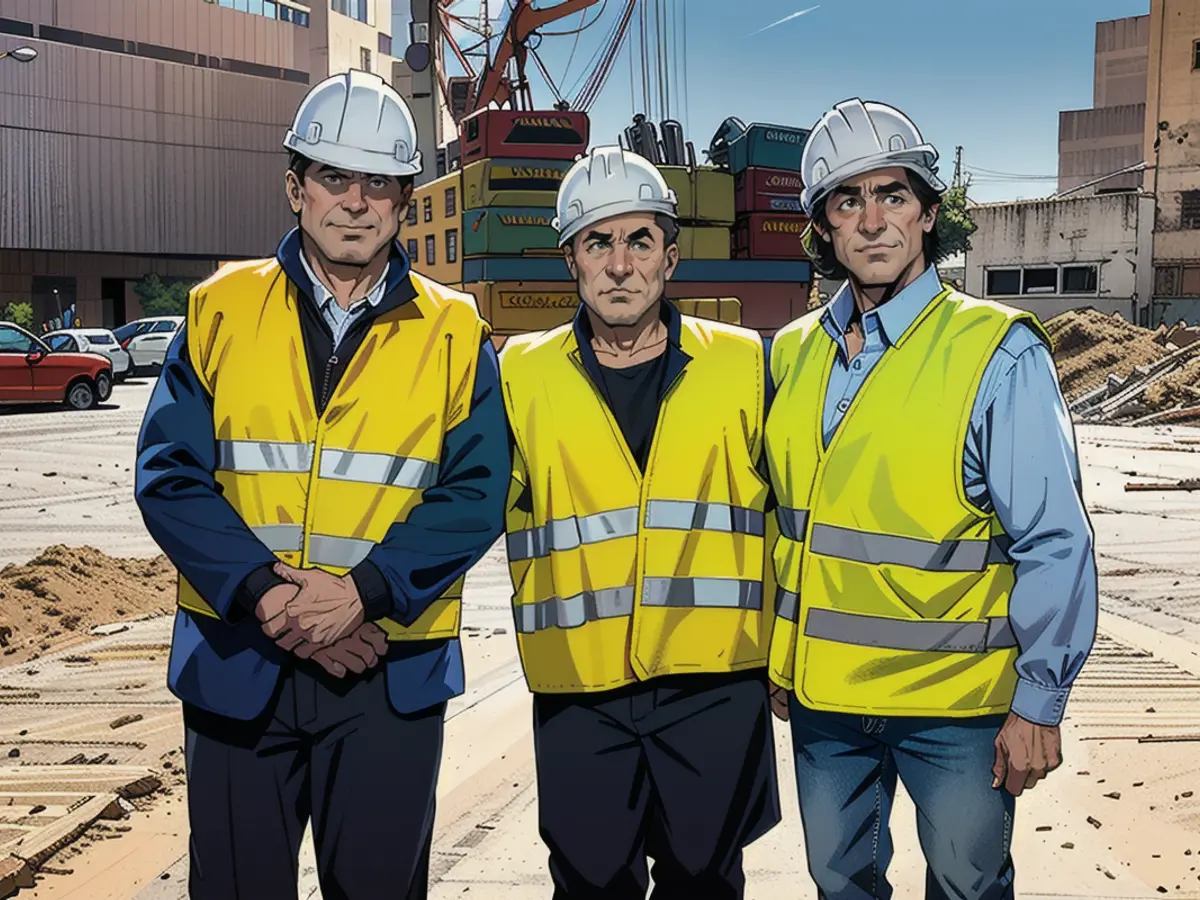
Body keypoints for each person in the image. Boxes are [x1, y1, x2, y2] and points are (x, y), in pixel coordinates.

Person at [134, 70, 507, 900]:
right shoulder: (219, 310)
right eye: (334, 177)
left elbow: (476, 491)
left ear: (404, 200)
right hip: (240, 662)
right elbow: (170, 475)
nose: (355, 201)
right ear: (295, 187)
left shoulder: (455, 331)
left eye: (379, 182)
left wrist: (363, 595)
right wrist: (271, 597)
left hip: (386, 669)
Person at [764, 98, 1098, 900]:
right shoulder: (792, 354)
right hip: (827, 707)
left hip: (957, 711)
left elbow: (1055, 540)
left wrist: (1040, 703)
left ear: (928, 214)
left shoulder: (996, 352)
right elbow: (790, 526)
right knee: (838, 884)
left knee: (966, 887)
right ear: (823, 228)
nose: (873, 220)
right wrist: (783, 657)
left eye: (894, 195)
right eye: (849, 200)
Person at [498, 145, 781, 899]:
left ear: (670, 258)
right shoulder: (519, 375)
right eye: (598, 242)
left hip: (715, 685)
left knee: (704, 882)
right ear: (572, 261)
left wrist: (790, 655)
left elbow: (794, 518)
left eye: (639, 241)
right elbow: (466, 502)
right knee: (590, 885)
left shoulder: (744, 365)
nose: (619, 265)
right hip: (579, 688)